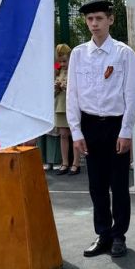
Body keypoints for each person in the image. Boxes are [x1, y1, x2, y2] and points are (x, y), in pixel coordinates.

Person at [67, 0, 135, 259]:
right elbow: (72, 94)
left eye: (99, 18)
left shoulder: (123, 53)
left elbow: (132, 94)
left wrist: (126, 130)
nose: (94, 24)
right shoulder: (78, 54)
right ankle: (103, 233)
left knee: (118, 184)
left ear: (110, 20)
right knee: (96, 185)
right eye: (90, 19)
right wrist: (76, 132)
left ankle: (119, 235)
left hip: (114, 125)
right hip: (90, 124)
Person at [53, 43, 80, 175]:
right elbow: (50, 93)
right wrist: (56, 88)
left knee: (75, 135)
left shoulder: (75, 71)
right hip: (60, 106)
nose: (62, 64)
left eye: (65, 61)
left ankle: (76, 163)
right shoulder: (57, 72)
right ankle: (64, 163)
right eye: (60, 61)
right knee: (63, 135)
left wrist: (68, 87)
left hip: (73, 106)